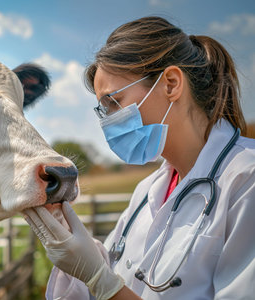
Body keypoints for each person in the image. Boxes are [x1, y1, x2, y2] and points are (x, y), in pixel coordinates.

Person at [23, 16, 255, 299]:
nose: (108, 121)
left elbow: (107, 287)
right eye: (102, 110)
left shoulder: (247, 180)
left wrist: (101, 280)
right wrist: (79, 260)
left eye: (114, 102)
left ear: (170, 84)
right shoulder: (146, 192)